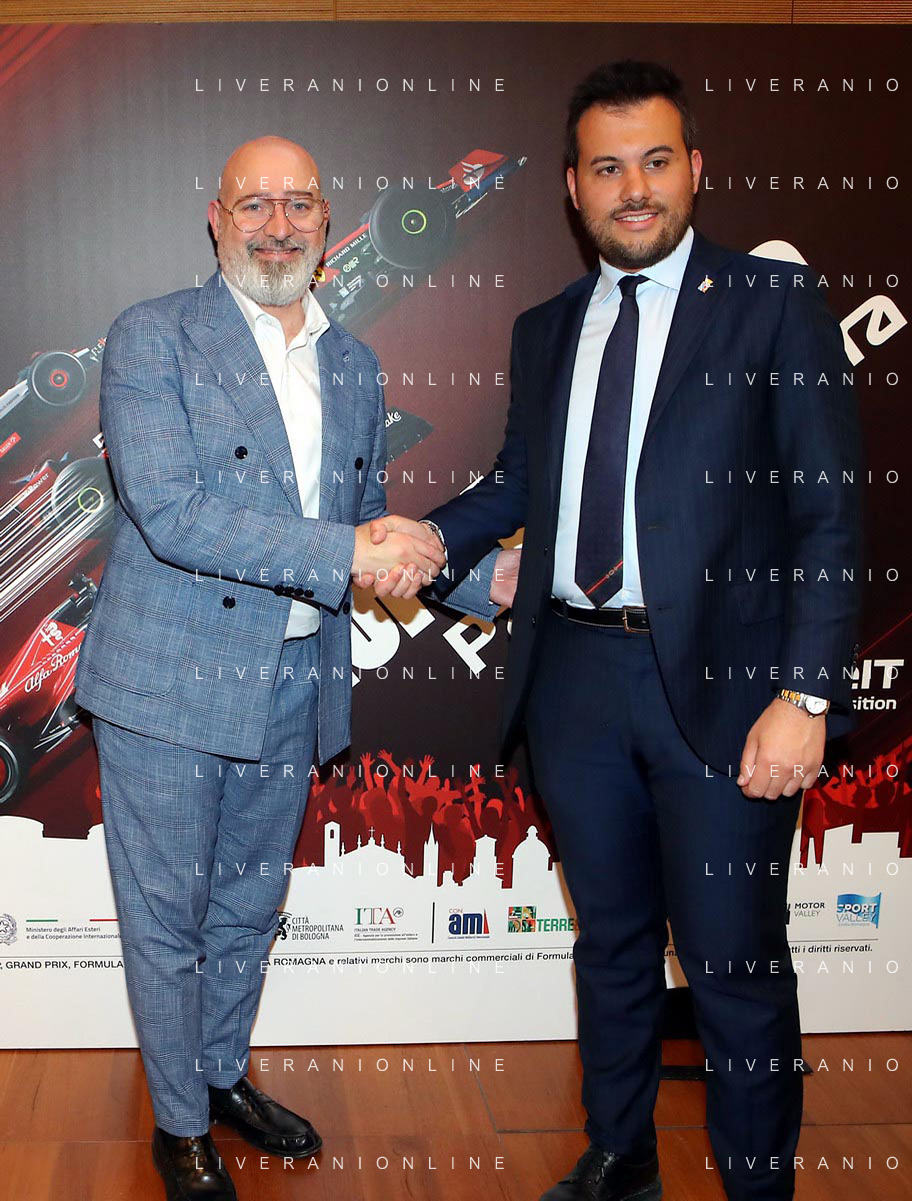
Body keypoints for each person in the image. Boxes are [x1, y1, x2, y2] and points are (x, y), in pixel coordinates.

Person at [373, 60, 862, 1201]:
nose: (633, 189)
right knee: (610, 944)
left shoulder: (772, 301)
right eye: (607, 168)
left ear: (695, 170)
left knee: (736, 966)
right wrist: (426, 539)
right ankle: (620, 1158)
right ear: (572, 187)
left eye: (654, 162)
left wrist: (806, 696)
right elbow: (518, 481)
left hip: (729, 691)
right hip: (574, 683)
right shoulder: (546, 328)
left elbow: (829, 513)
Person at [73, 136, 444, 1201]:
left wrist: (469, 577)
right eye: (254, 205)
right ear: (216, 217)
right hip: (169, 681)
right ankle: (179, 1123)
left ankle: (223, 1073)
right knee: (168, 914)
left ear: (327, 222)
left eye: (299, 204)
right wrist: (353, 550)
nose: (278, 226)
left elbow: (366, 522)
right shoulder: (153, 335)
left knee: (247, 902)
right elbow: (172, 509)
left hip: (292, 677)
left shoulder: (354, 363)